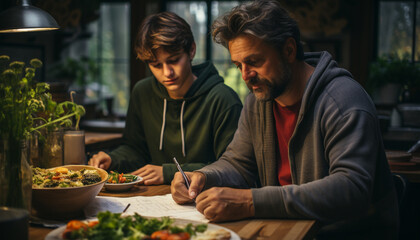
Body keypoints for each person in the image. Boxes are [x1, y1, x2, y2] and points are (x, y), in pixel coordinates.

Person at [171, 0, 399, 238]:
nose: (245, 76)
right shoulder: (258, 100)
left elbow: (352, 189)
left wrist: (250, 201)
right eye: (238, 65)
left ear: (289, 50)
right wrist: (204, 177)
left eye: (254, 62)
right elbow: (239, 163)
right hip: (289, 229)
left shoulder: (343, 101)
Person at [89, 11, 242, 185]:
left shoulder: (223, 99)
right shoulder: (142, 92)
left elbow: (232, 168)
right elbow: (136, 150)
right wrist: (112, 159)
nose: (167, 73)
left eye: (174, 60)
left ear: (191, 50)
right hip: (153, 197)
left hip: (204, 198)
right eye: (156, 65)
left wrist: (169, 172)